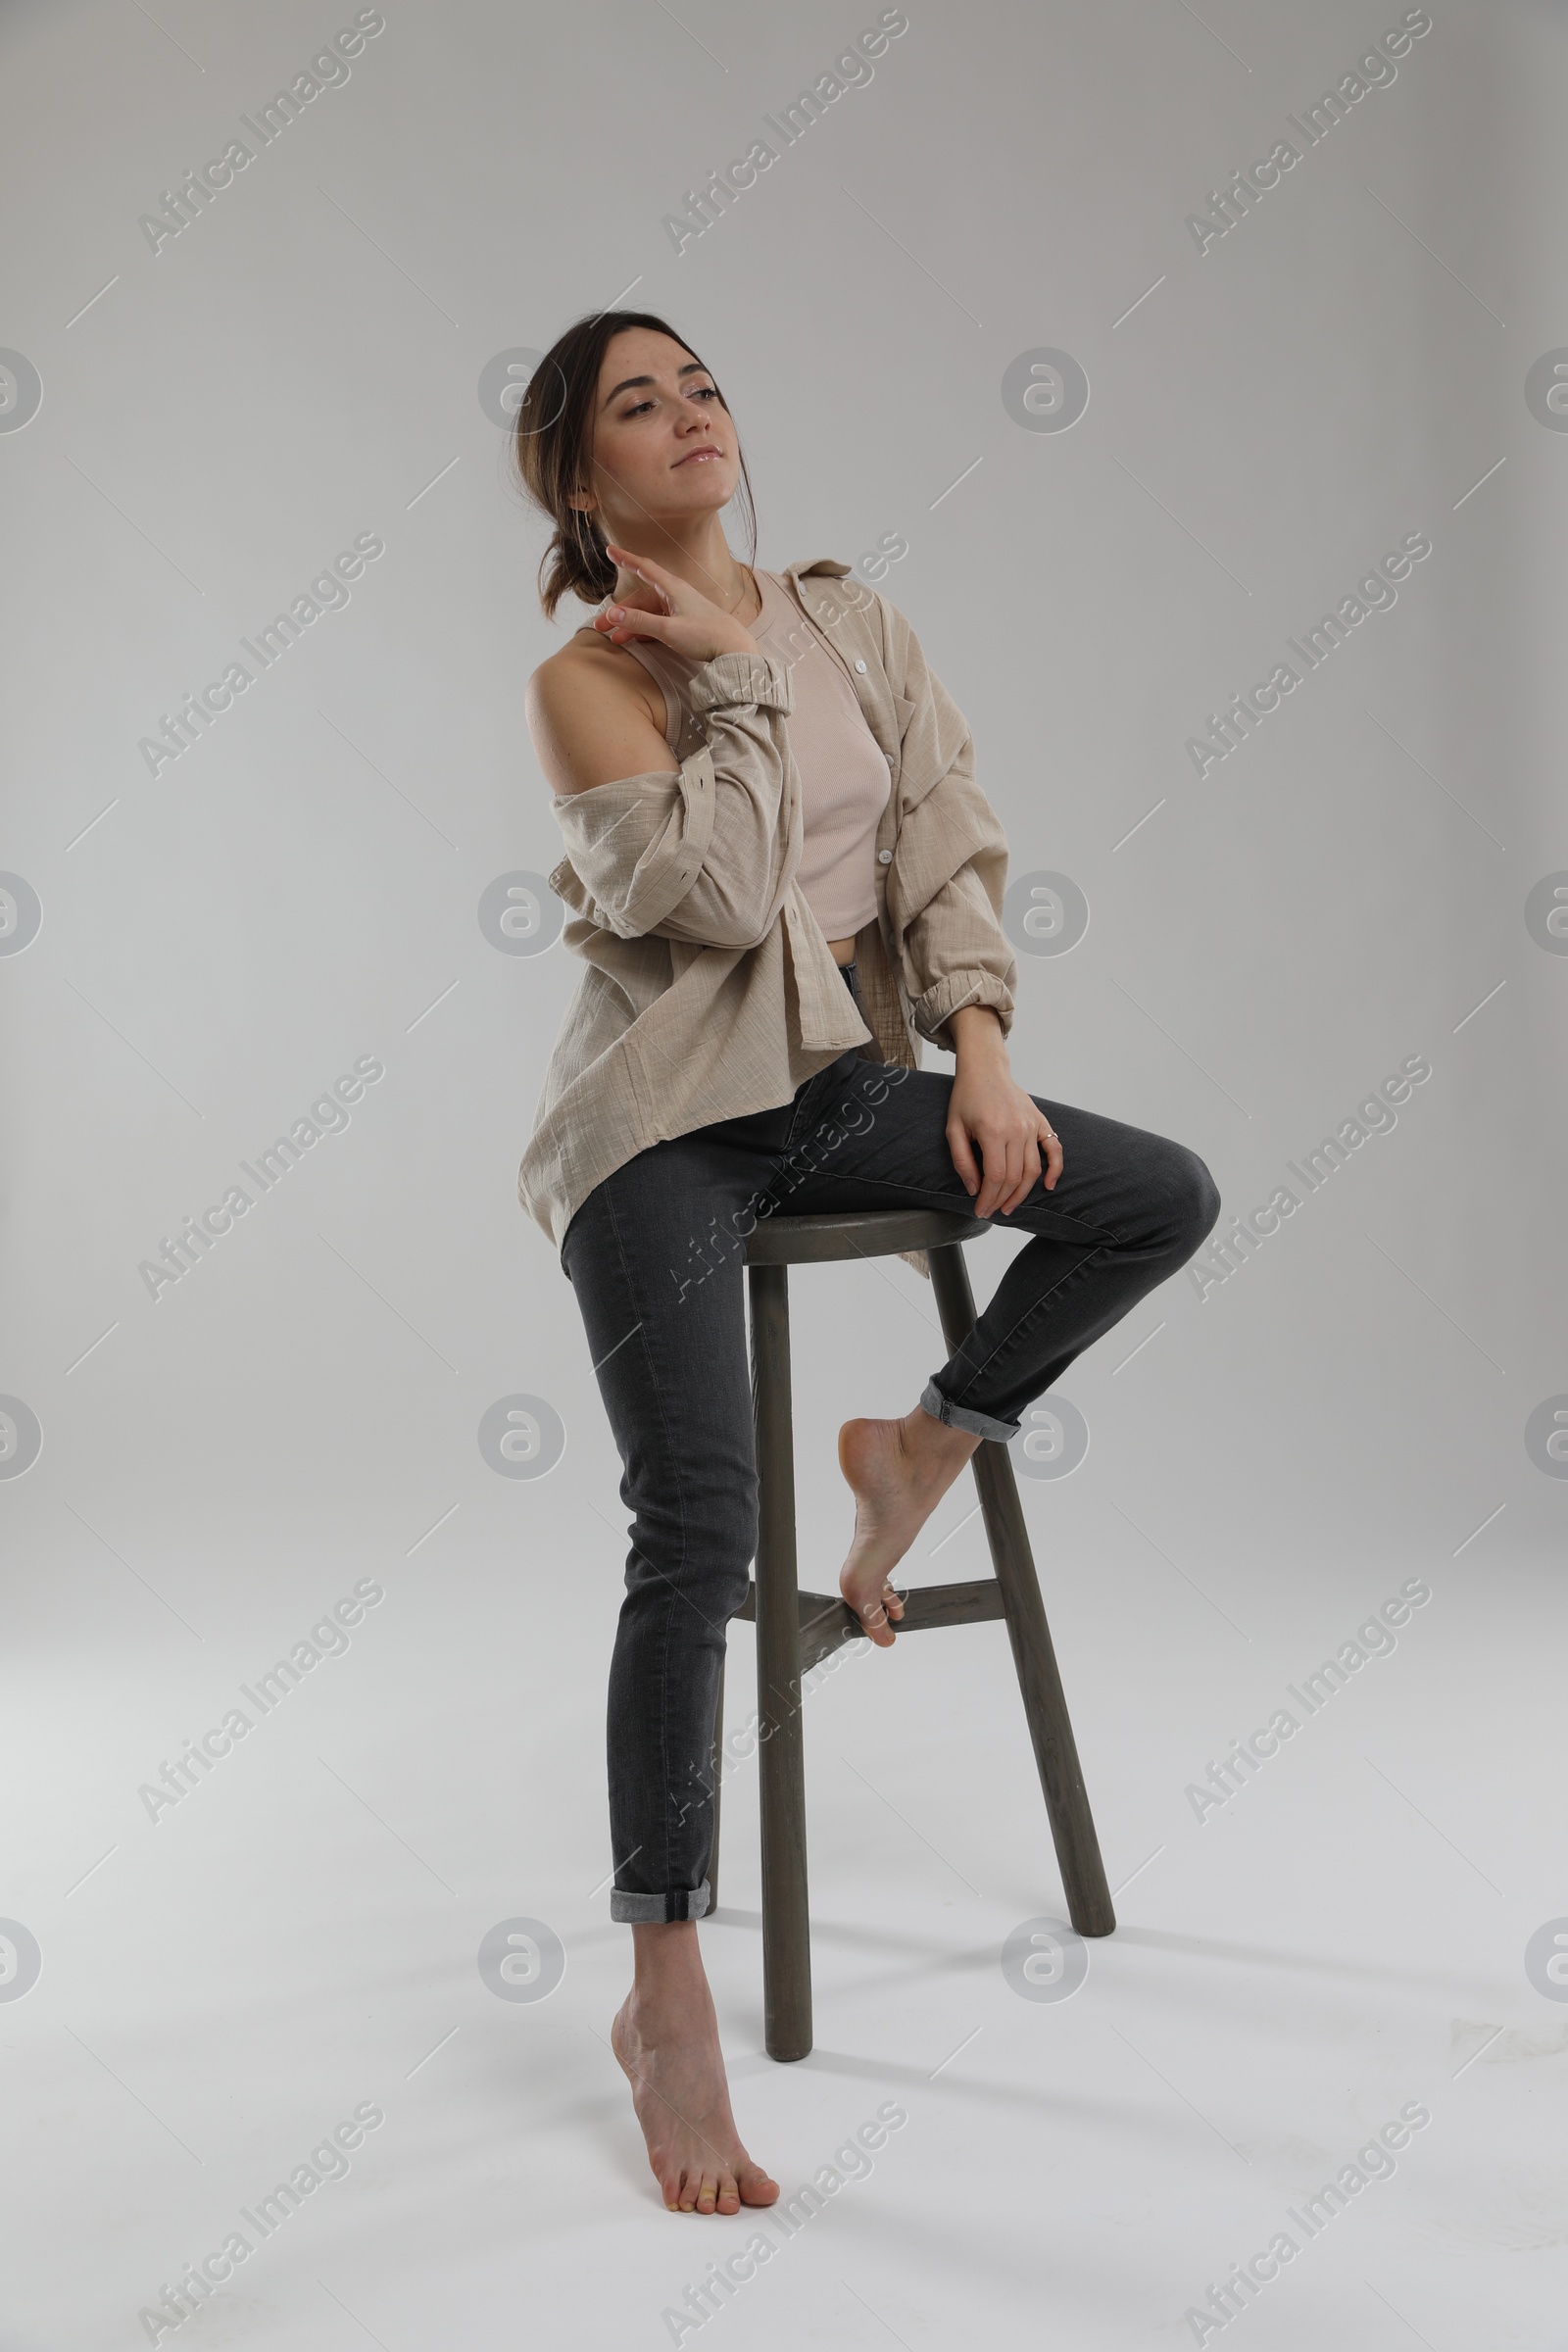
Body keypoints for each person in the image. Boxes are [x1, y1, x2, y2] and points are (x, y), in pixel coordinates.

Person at [513, 310, 1221, 2219]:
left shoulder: (851, 620)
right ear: (582, 482)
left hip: (840, 1093)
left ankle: (923, 1446)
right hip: (659, 1123)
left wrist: (976, 1041)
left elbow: (942, 842)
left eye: (703, 384)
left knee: (1151, 1191)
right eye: (632, 408)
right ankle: (666, 1990)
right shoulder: (586, 678)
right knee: (693, 1529)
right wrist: (725, 673)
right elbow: (721, 903)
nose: (687, 418)